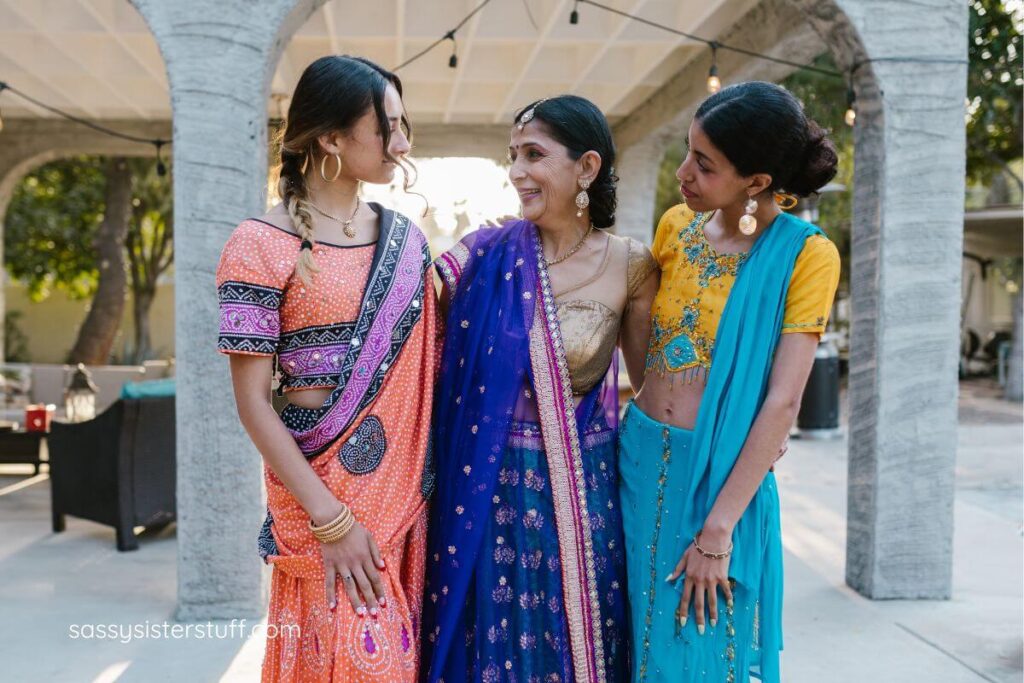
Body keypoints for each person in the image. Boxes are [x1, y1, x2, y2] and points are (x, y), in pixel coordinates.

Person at [420, 95, 659, 683]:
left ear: (587, 168)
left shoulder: (631, 265)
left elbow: (654, 391)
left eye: (534, 154)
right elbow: (409, 316)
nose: (517, 171)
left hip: (586, 498)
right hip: (491, 500)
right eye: (513, 156)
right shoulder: (483, 257)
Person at [215, 55, 438, 682]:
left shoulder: (406, 241)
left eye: (403, 124)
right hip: (321, 503)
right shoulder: (260, 243)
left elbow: (436, 361)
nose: (401, 143)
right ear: (332, 139)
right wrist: (330, 519)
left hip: (402, 501)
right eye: (385, 127)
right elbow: (254, 402)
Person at [618, 81, 841, 683]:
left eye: (705, 164)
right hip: (636, 457)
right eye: (688, 152)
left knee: (699, 652)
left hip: (719, 482)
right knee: (635, 645)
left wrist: (717, 532)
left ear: (758, 182)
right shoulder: (675, 228)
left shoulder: (805, 255)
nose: (685, 172)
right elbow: (646, 343)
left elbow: (784, 398)